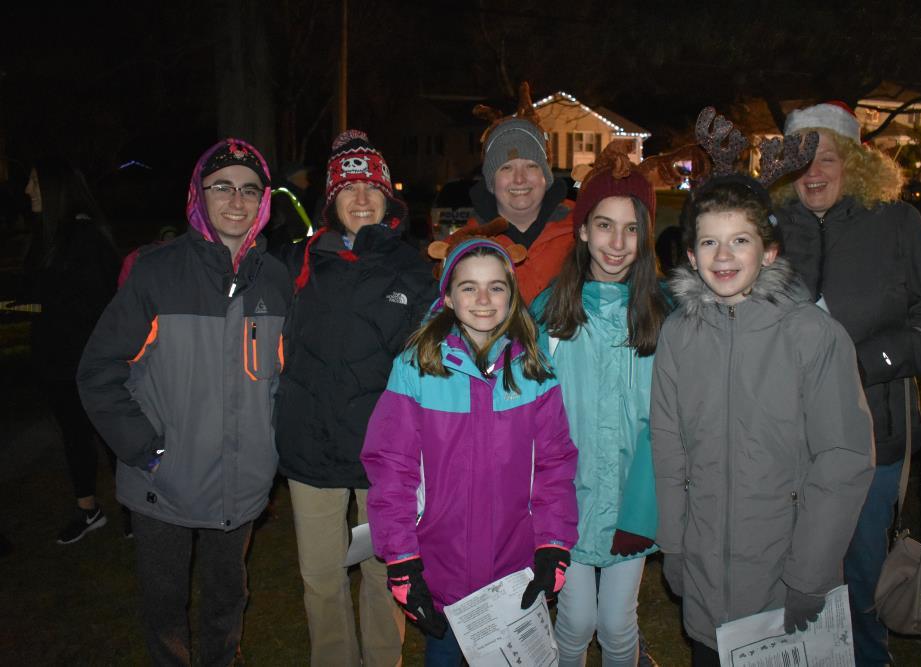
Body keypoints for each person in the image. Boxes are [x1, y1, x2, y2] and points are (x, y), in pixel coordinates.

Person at [652, 108, 876, 666]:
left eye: (740, 241)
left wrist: (811, 573)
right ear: (690, 255)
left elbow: (842, 457)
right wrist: (675, 543)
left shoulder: (811, 335)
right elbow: (668, 446)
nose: (723, 257)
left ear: (769, 251)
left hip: (784, 569)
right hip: (705, 569)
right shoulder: (680, 335)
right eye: (709, 243)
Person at [77, 138, 291, 666]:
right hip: (163, 485)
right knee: (165, 605)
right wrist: (147, 453)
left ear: (264, 201)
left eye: (249, 189)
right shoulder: (156, 273)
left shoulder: (278, 279)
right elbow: (98, 372)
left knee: (227, 597)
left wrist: (270, 457)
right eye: (222, 187)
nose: (236, 201)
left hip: (242, 484)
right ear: (199, 193)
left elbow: (282, 381)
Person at [774, 102, 921, 667]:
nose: (813, 172)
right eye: (801, 160)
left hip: (871, 436)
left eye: (826, 157)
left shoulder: (897, 223)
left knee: (859, 572)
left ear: (853, 163)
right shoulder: (769, 227)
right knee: (790, 571)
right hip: (783, 441)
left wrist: (870, 359)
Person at [361, 237, 579, 666]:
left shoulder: (534, 370)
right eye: (468, 287)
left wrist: (553, 544)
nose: (483, 299)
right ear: (447, 296)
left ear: (512, 297)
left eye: (496, 287)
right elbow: (393, 468)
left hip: (513, 570)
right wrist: (402, 558)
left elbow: (554, 464)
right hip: (442, 570)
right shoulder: (416, 368)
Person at [274, 130, 435, 667]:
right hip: (310, 447)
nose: (361, 198)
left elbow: (432, 366)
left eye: (371, 187)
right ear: (331, 199)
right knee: (321, 577)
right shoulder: (298, 264)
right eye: (349, 188)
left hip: (383, 457)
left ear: (389, 196)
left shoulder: (413, 272)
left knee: (384, 572)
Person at [532, 142, 669, 667]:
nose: (618, 242)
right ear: (583, 230)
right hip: (567, 500)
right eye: (605, 226)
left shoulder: (660, 316)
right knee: (575, 621)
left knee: (616, 623)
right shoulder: (550, 315)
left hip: (633, 497)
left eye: (632, 228)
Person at [19, 158, 121, 544]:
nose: (27, 191)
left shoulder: (85, 238)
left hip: (88, 361)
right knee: (73, 435)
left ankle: (133, 509)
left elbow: (97, 303)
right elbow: (34, 295)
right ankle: (88, 509)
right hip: (55, 362)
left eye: (34, 182)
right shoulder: (46, 237)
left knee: (111, 435)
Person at [460, 82, 575, 304]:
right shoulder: (469, 244)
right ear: (491, 180)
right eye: (506, 168)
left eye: (531, 166)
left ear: (546, 174)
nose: (520, 178)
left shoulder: (581, 230)